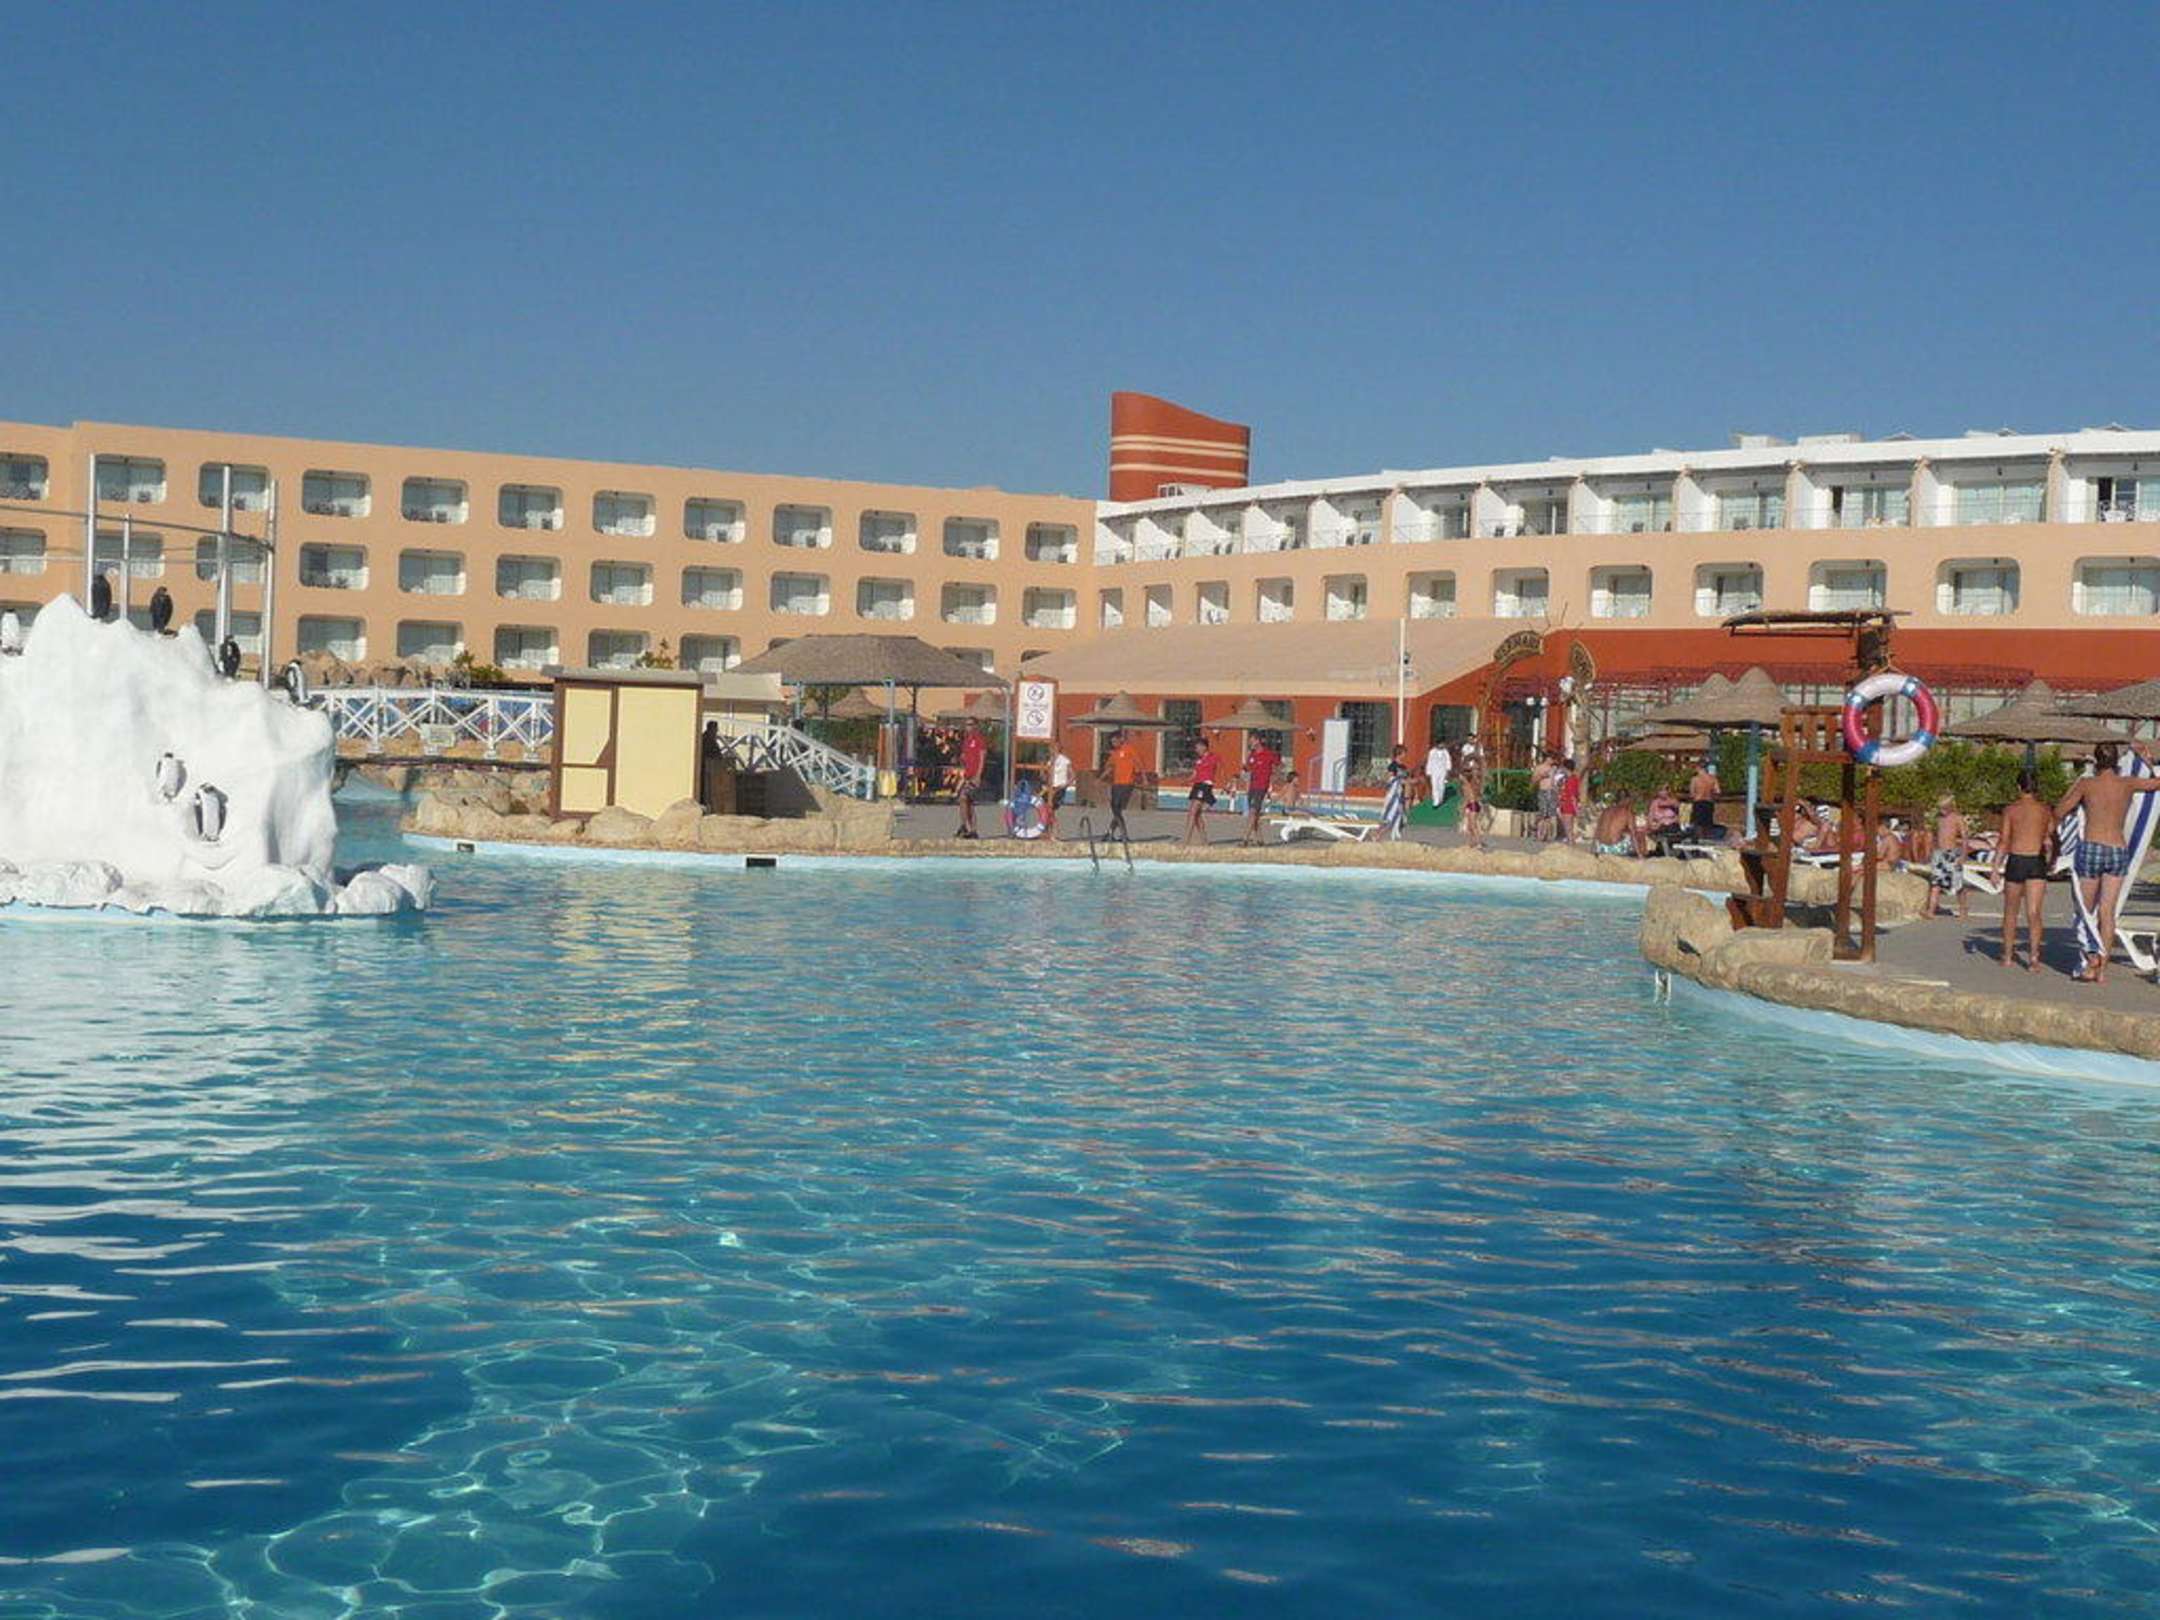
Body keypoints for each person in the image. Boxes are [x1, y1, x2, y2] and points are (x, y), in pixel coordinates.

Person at [2054, 740, 2160, 983]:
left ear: (2096, 760)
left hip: (2091, 846)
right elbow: (2157, 783)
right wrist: (2147, 761)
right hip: (2117, 849)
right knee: (2107, 912)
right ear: (2116, 761)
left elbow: (2059, 811)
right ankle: (2102, 970)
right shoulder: (2127, 783)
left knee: (2085, 910)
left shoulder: (2086, 784)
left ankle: (2090, 960)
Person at [1995, 771, 2054, 972]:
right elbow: (2050, 837)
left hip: (2017, 859)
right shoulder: (2044, 810)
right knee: (2034, 913)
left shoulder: (2011, 810)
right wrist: (2051, 859)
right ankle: (2034, 958)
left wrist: (1995, 868)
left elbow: (2004, 840)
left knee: (2011, 912)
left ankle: (2007, 956)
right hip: (2036, 860)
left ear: (2018, 787)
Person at [1924, 795, 1971, 920]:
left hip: (1952, 854)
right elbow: (1936, 836)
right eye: (1940, 808)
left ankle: (1963, 908)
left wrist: (1963, 855)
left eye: (1944, 808)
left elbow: (1965, 838)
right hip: (1939, 853)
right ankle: (1930, 910)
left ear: (1951, 807)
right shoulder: (1939, 819)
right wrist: (1931, 851)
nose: (1942, 811)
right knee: (1935, 883)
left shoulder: (1957, 818)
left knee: (1957, 884)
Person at [1240, 731, 1281, 845]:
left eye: (1252, 741)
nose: (1250, 743)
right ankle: (1260, 839)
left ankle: (1245, 839)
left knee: (1253, 812)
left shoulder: (1268, 754)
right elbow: (1247, 769)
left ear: (1257, 741)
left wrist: (1274, 777)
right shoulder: (1252, 755)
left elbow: (1279, 766)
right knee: (1255, 814)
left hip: (1261, 786)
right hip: (1252, 786)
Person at [1104, 728, 1143, 843]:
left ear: (1120, 739)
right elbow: (1109, 767)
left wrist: (1143, 778)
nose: (1113, 744)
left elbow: (1138, 764)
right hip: (1116, 784)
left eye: (1115, 741)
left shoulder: (1129, 749)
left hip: (1127, 784)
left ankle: (1123, 834)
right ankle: (1111, 832)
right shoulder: (1115, 753)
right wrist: (1100, 778)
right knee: (1116, 809)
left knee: (1117, 809)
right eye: (1112, 742)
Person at [1184, 731, 1223, 846]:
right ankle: (1204, 841)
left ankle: (1186, 841)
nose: (1196, 750)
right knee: (1197, 815)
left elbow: (1221, 770)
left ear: (1204, 747)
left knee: (1192, 812)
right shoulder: (1198, 760)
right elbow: (1195, 774)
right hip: (1197, 785)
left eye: (1198, 747)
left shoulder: (1213, 757)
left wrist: (1224, 784)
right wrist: (1187, 780)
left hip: (1205, 785)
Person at [954, 719, 988, 839]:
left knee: (963, 798)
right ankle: (970, 828)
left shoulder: (979, 740)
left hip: (975, 776)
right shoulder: (966, 741)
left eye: (970, 724)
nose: (968, 727)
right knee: (968, 802)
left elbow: (982, 758)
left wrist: (978, 775)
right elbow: (964, 758)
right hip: (967, 776)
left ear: (975, 726)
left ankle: (966, 826)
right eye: (966, 724)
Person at [1042, 742, 1074, 841]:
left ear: (1058, 748)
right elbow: (1046, 775)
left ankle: (1054, 832)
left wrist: (1066, 784)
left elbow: (1072, 775)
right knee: (1047, 809)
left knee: (1051, 809)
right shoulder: (1050, 761)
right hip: (1050, 787)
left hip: (1059, 787)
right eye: (1050, 748)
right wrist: (1043, 775)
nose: (1051, 750)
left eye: (1053, 748)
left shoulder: (1065, 760)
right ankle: (1047, 831)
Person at [1380, 746, 1409, 840]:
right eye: (1404, 753)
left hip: (1401, 792)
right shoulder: (1393, 765)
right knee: (1390, 813)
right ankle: (1379, 833)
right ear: (1399, 754)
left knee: (1401, 814)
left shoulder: (1404, 767)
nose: (1405, 755)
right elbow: (1389, 778)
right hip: (1393, 793)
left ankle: (1395, 833)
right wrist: (1398, 781)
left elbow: (1406, 779)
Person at [1687, 760, 1720, 840]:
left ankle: (1699, 839)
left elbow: (1692, 793)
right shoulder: (1712, 778)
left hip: (1698, 802)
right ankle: (1706, 839)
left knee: (1697, 824)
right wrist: (1710, 794)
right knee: (1708, 824)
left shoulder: (1695, 779)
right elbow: (1718, 791)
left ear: (1698, 767)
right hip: (1709, 802)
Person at [1557, 758, 1582, 844]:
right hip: (1566, 805)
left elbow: (1573, 796)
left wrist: (1576, 809)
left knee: (1568, 828)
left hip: (1568, 806)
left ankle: (1571, 844)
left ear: (1566, 768)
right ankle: (1570, 842)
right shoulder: (1571, 779)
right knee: (1568, 828)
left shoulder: (1571, 780)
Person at [1424, 738, 1453, 811]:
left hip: (1442, 771)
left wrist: (1448, 770)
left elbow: (1448, 761)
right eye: (1440, 744)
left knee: (1441, 785)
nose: (1442, 745)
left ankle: (1440, 799)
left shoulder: (1445, 752)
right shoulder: (1432, 752)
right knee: (1434, 785)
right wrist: (1428, 771)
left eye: (1442, 744)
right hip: (1434, 771)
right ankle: (1435, 801)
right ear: (1437, 744)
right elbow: (1429, 761)